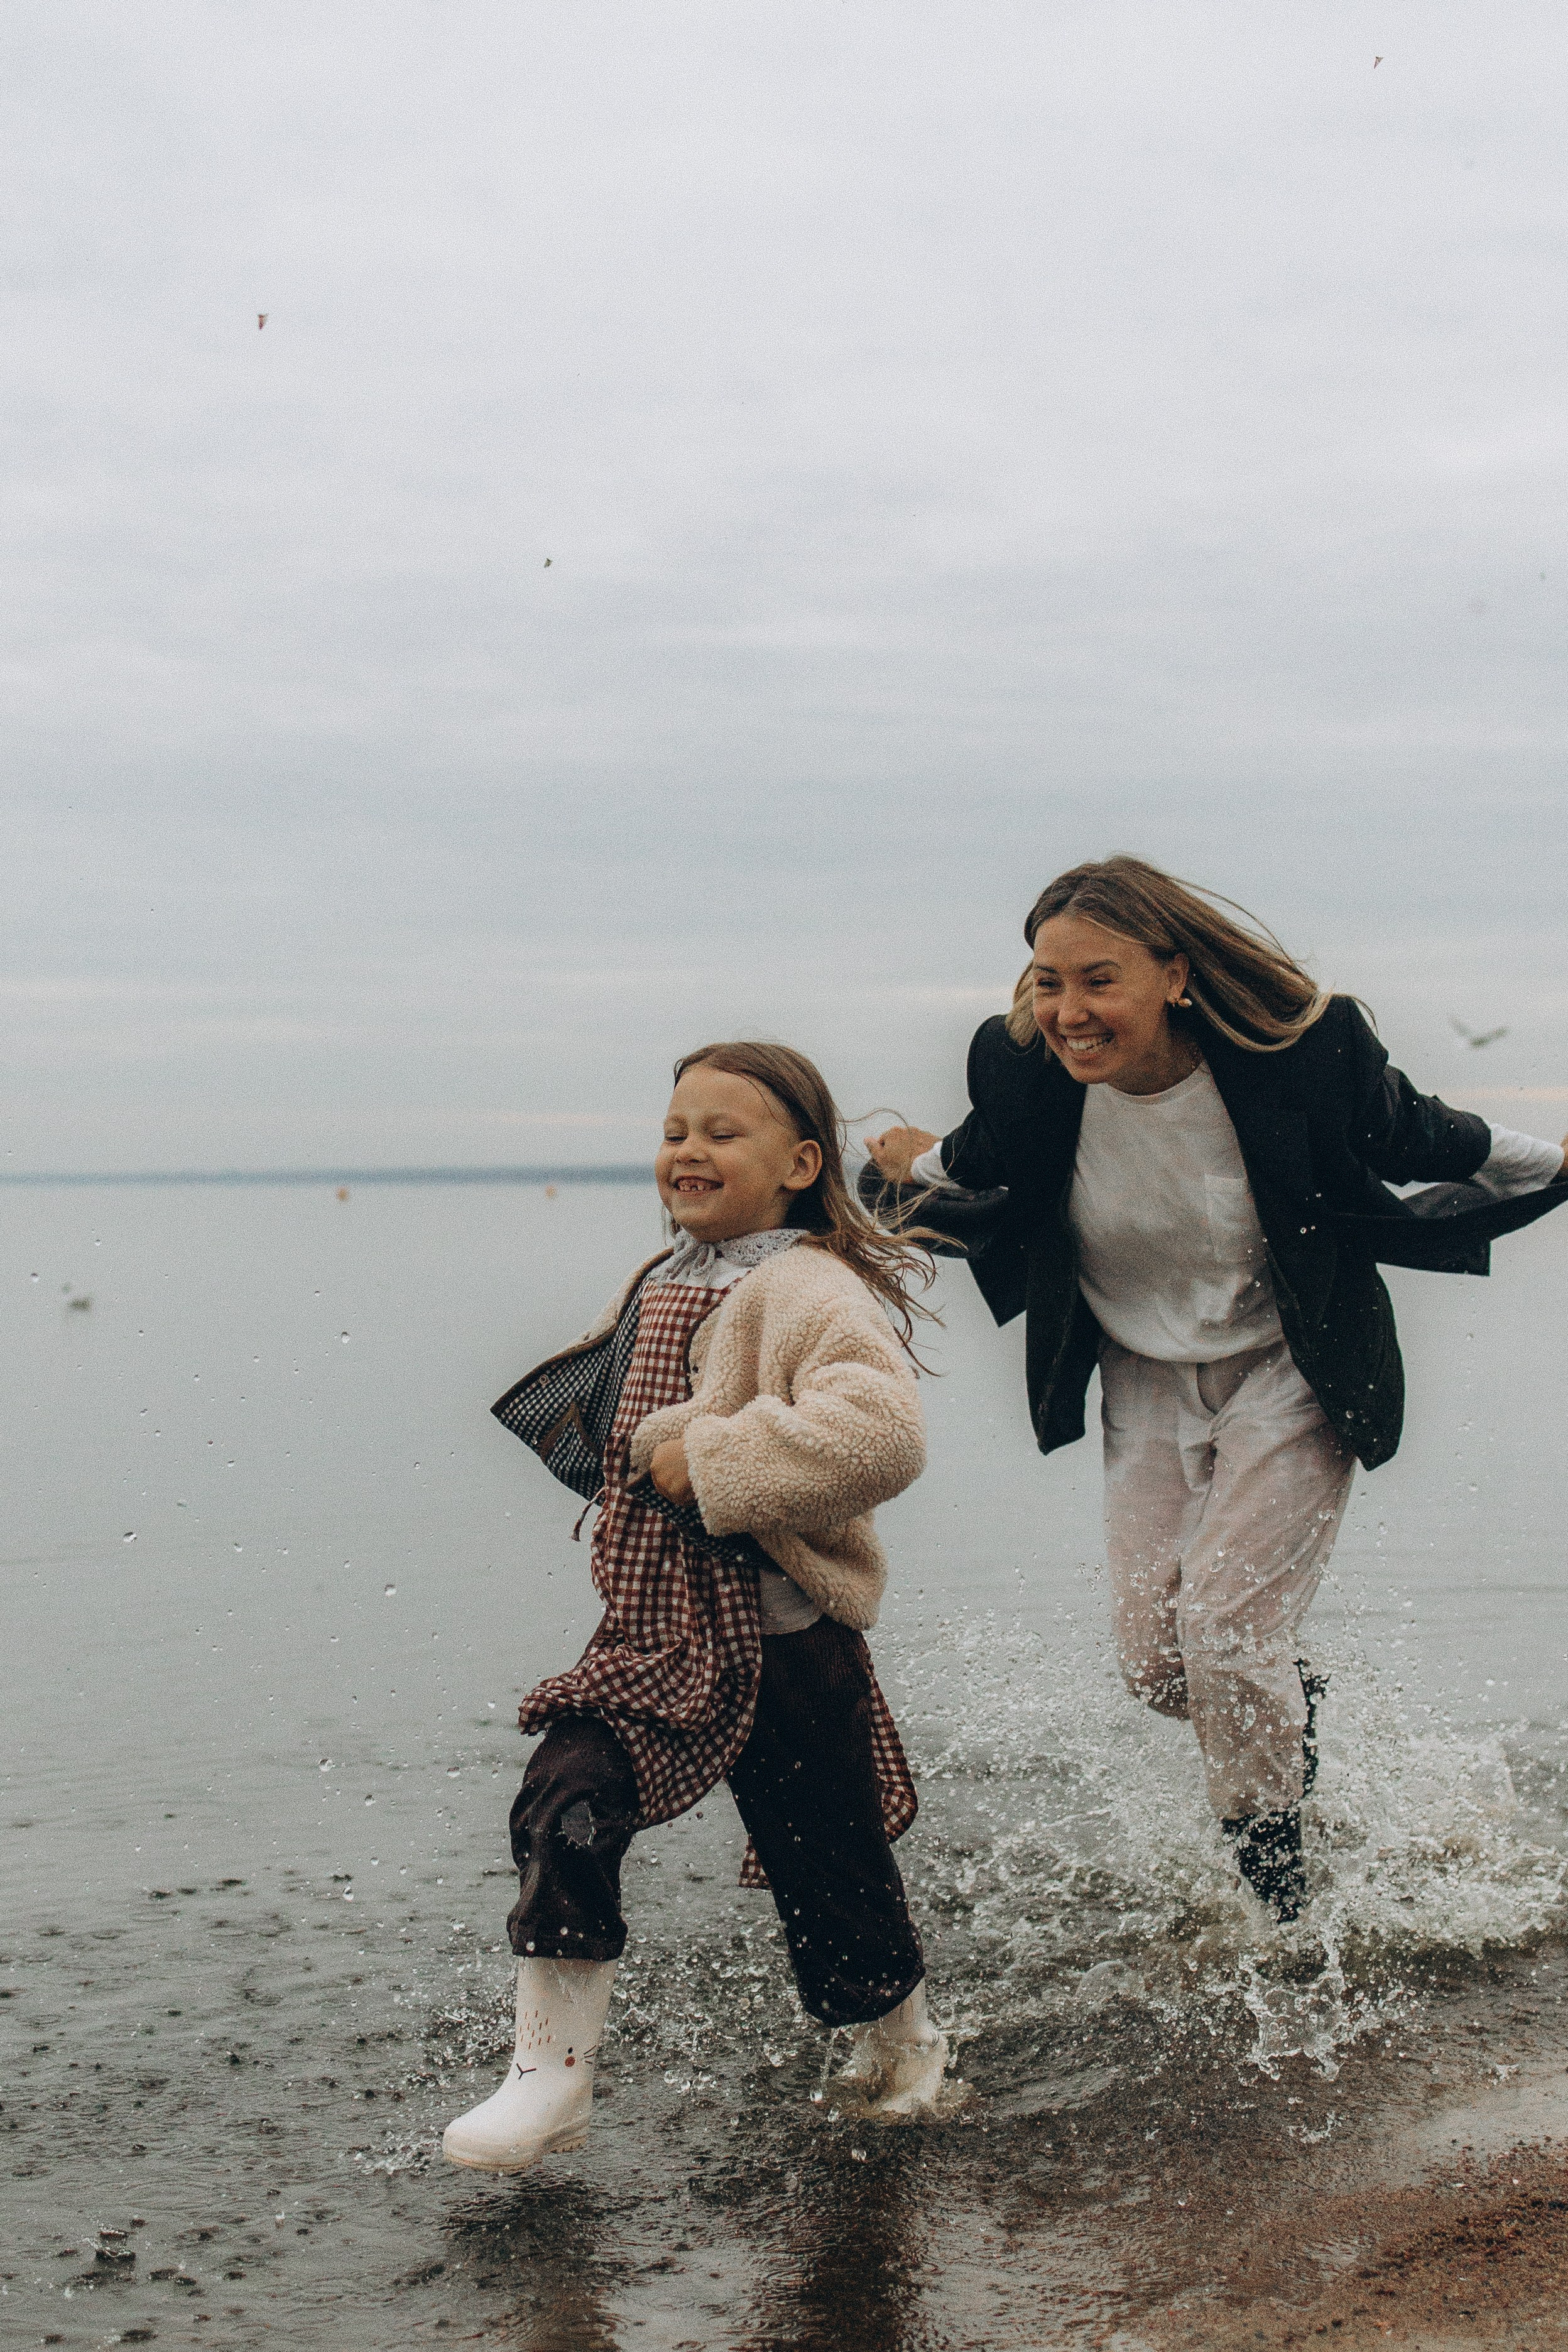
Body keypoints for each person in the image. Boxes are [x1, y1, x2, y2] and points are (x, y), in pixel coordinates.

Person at [867, 856, 1568, 1922]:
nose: (1067, 1011)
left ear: (1176, 975)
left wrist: (1554, 1159)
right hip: (1140, 1371)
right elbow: (976, 1162)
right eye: (1048, 981)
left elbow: (1431, 1137)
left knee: (1227, 1635)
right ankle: (1294, 1715)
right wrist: (887, 1172)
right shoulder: (1018, 1068)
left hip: (1290, 1361)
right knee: (1158, 1667)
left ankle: (1280, 1903)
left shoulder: (1309, 1054)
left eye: (1098, 980)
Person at [444, 1042, 947, 2174]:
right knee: (565, 1797)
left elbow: (883, 1436)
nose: (690, 1150)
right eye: (677, 1130)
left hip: (783, 1644)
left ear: (802, 1162)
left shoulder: (809, 1285)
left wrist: (712, 1460)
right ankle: (549, 2078)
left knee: (834, 1873)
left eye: (725, 1133)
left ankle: (905, 2046)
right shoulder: (665, 1276)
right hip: (660, 1636)